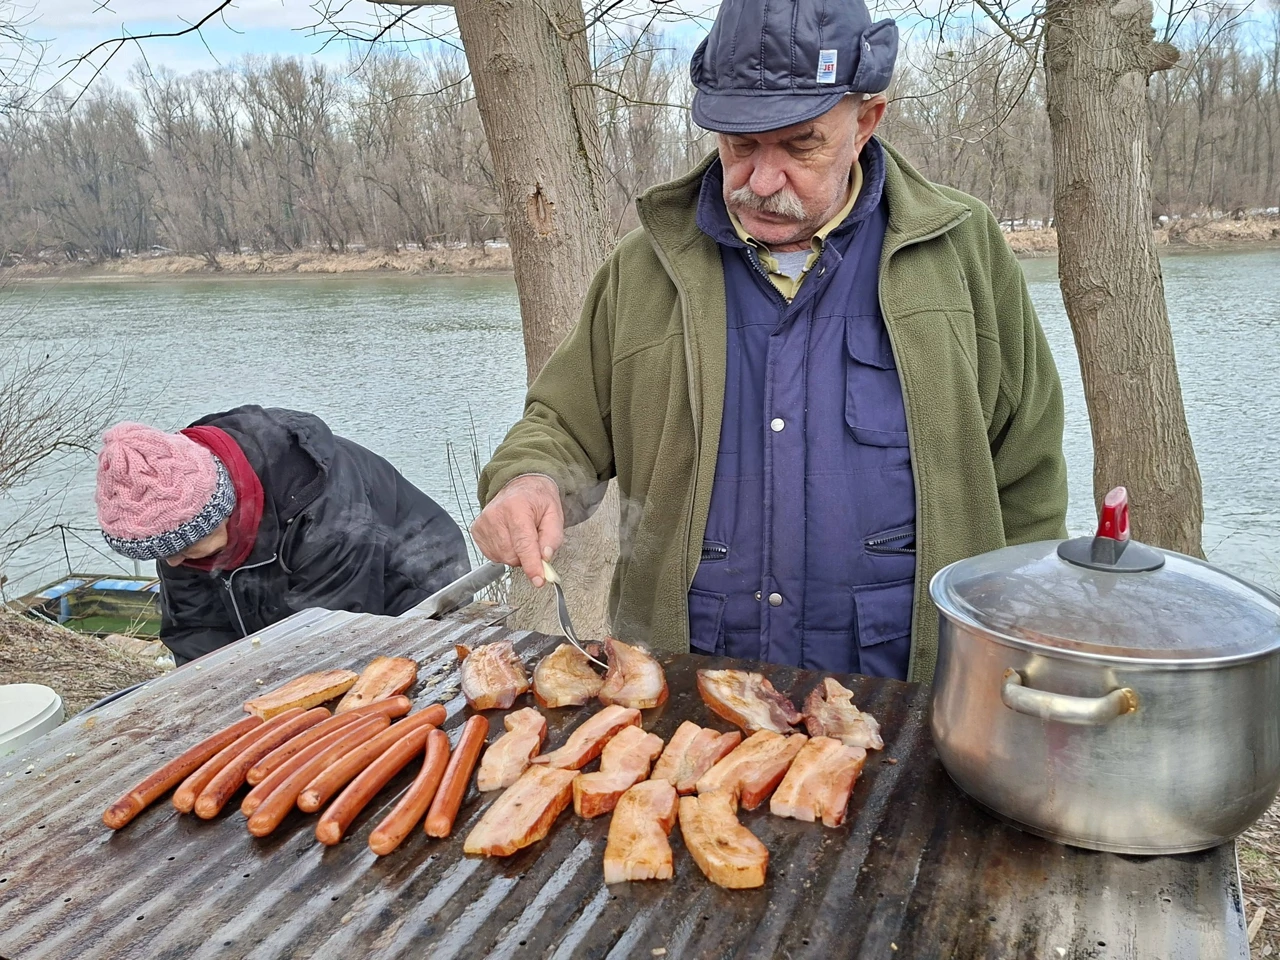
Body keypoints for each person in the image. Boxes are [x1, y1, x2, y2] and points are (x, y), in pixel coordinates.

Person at [470, 0, 1068, 683]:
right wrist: (529, 482)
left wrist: (1016, 643)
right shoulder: (643, 268)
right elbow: (561, 426)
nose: (761, 180)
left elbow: (1027, 474)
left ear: (865, 121)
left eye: (800, 144)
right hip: (686, 683)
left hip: (910, 684)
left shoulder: (960, 252)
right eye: (740, 144)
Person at [95, 405, 469, 665]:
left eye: (184, 548)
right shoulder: (176, 520)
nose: (173, 562)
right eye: (164, 553)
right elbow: (195, 628)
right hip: (305, 600)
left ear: (224, 511)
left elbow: (335, 637)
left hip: (410, 580)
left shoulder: (322, 507)